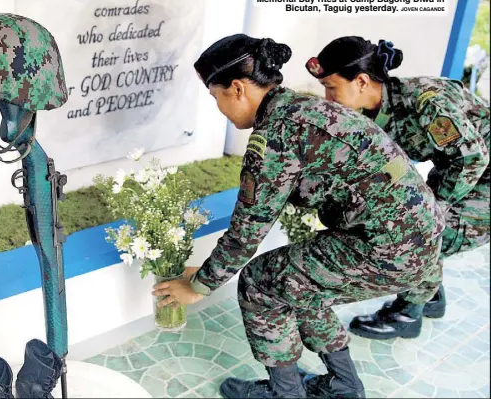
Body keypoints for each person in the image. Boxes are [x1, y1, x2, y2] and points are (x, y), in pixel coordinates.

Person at [152, 33, 446, 398]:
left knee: (260, 281)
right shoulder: (304, 109)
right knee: (299, 282)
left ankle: (285, 393)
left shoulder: (275, 133)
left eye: (217, 97)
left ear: (239, 89)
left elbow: (248, 230)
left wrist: (199, 286)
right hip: (421, 240)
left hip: (388, 249)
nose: (220, 109)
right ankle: (344, 386)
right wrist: (212, 270)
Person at [305, 36, 490, 340]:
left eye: (332, 88)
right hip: (458, 169)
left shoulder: (426, 103)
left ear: (362, 81)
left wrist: (434, 209)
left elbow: (471, 158)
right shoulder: (373, 110)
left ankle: (407, 313)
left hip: (480, 172)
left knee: (423, 231)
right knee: (413, 217)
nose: (328, 98)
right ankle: (430, 296)